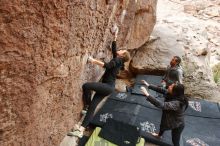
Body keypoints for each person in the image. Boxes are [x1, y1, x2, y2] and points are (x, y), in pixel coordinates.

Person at [68, 25, 130, 137]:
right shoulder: (119, 61)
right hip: (108, 88)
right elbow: (114, 49)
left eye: (122, 51)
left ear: (122, 55)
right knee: (93, 107)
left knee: (86, 86)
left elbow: (106, 65)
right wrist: (115, 36)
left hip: (107, 86)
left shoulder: (117, 60)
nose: (120, 50)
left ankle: (87, 106)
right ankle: (81, 130)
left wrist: (92, 60)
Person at [140, 80, 188, 146]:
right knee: (163, 125)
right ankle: (159, 135)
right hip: (169, 116)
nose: (169, 86)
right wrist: (148, 85)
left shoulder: (177, 103)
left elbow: (161, 105)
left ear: (175, 92)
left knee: (175, 141)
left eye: (171, 86)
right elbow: (160, 90)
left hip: (178, 124)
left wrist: (147, 94)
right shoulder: (171, 93)